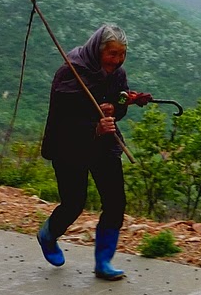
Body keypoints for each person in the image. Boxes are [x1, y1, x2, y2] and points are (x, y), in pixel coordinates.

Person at [36, 23, 146, 280]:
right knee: (74, 203)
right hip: (69, 148)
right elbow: (63, 120)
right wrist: (94, 128)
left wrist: (117, 107)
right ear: (98, 50)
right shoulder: (70, 72)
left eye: (122, 54)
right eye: (112, 53)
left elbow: (119, 103)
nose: (117, 60)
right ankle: (48, 235)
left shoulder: (117, 74)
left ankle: (103, 262)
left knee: (115, 203)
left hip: (104, 146)